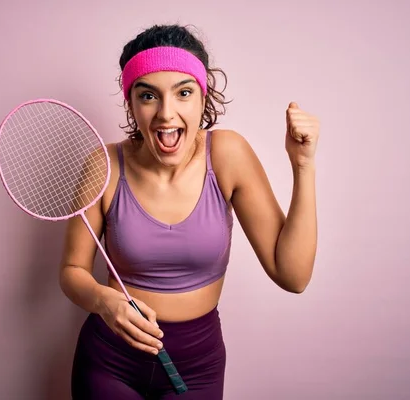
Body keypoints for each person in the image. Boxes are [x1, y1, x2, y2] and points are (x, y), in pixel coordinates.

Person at [59, 24, 319, 399]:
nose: (167, 113)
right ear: (130, 102)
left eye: (183, 93)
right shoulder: (106, 165)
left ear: (203, 97)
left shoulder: (227, 155)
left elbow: (293, 276)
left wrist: (303, 166)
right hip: (108, 363)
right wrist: (104, 300)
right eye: (148, 95)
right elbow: (71, 271)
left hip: (196, 368)